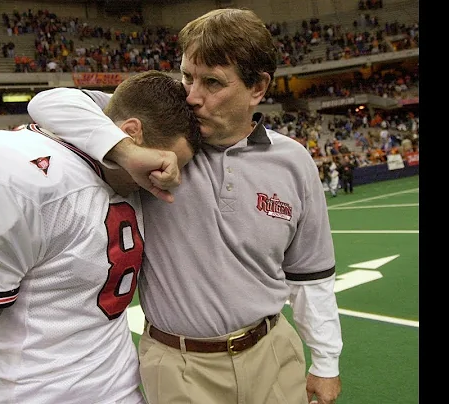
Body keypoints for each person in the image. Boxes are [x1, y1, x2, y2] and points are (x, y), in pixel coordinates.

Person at [27, 8, 342, 404]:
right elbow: (48, 102)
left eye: (212, 82)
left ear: (258, 88)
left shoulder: (293, 161)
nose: (192, 96)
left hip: (272, 351)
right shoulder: (158, 131)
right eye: (187, 76)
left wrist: (326, 362)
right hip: (179, 366)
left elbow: (311, 276)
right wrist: (127, 152)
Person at [0, 70, 201, 404]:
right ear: (131, 133)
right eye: (166, 164)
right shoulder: (13, 173)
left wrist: (125, 152)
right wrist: (129, 153)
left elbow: (68, 101)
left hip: (123, 390)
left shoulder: (111, 155)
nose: (171, 179)